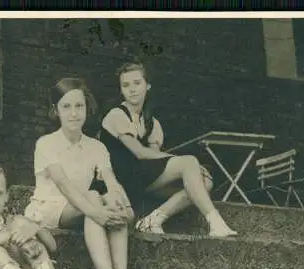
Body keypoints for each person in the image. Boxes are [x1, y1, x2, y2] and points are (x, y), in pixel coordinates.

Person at [24, 77, 150, 269]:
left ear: (87, 108)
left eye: (79, 106)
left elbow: (112, 182)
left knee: (109, 201)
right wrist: (98, 212)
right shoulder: (46, 143)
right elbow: (64, 186)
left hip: (83, 207)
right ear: (56, 111)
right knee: (94, 198)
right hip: (48, 208)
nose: (74, 113)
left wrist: (124, 207)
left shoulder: (96, 147)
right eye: (66, 107)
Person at [99, 62, 237, 237]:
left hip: (141, 179)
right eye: (125, 85)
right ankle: (216, 222)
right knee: (189, 162)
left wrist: (190, 168)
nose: (132, 89)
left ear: (147, 85)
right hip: (120, 179)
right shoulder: (116, 115)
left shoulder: (152, 123)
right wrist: (186, 163)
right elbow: (140, 153)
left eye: (137, 83)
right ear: (121, 90)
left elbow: (155, 159)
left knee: (205, 182)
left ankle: (153, 220)